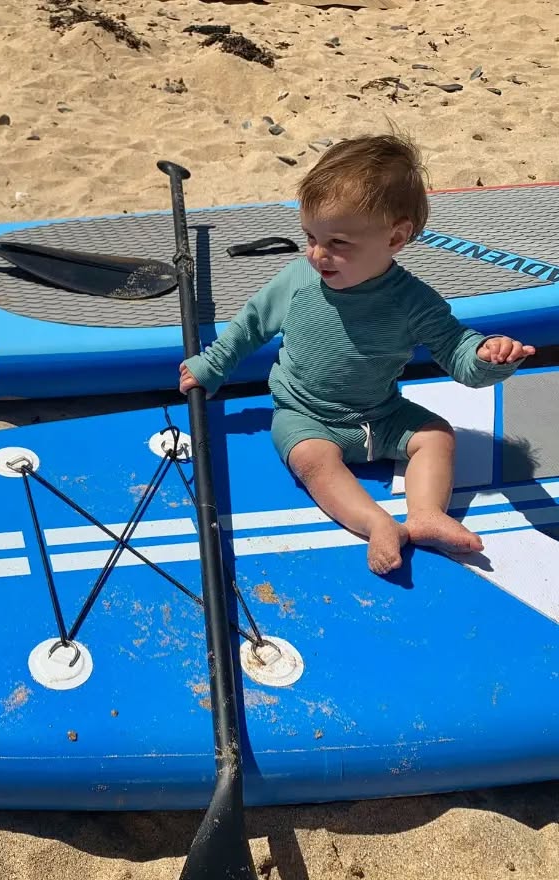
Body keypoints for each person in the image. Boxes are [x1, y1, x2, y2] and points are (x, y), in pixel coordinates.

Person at [178, 132, 535, 575]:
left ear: (396, 238)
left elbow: (456, 352)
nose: (317, 254)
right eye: (310, 236)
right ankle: (375, 522)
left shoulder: (413, 301)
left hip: (381, 414)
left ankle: (425, 514)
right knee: (311, 459)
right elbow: (250, 325)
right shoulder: (298, 281)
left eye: (338, 243)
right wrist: (212, 367)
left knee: (437, 436)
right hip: (305, 413)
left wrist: (487, 357)